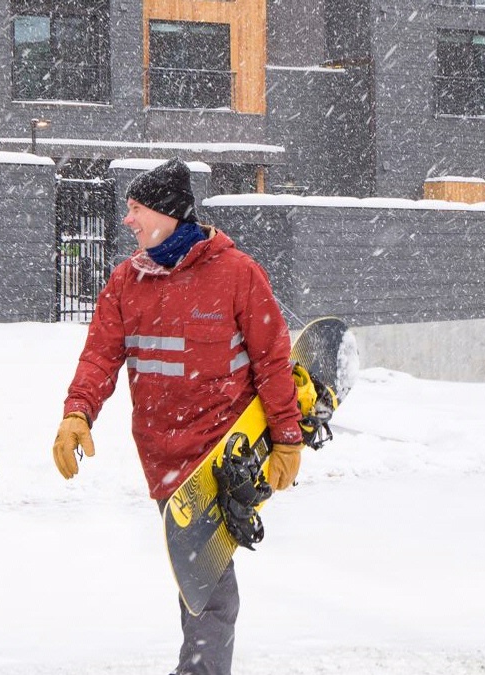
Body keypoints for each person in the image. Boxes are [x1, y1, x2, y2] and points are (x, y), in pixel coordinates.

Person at [50, 158, 305, 675]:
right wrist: (78, 413)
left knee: (210, 590)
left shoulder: (237, 274)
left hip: (225, 452)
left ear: (168, 213)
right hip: (163, 459)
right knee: (196, 579)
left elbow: (272, 360)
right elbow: (100, 355)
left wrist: (286, 438)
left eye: (136, 209)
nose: (128, 221)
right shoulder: (127, 281)